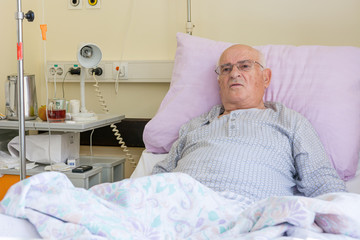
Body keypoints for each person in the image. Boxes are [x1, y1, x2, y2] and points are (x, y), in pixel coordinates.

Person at [152, 44, 347, 202]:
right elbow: (159, 177)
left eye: (245, 66)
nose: (234, 73)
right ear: (220, 82)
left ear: (266, 77)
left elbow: (321, 181)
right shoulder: (195, 126)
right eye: (226, 69)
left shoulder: (289, 121)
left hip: (252, 215)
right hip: (177, 210)